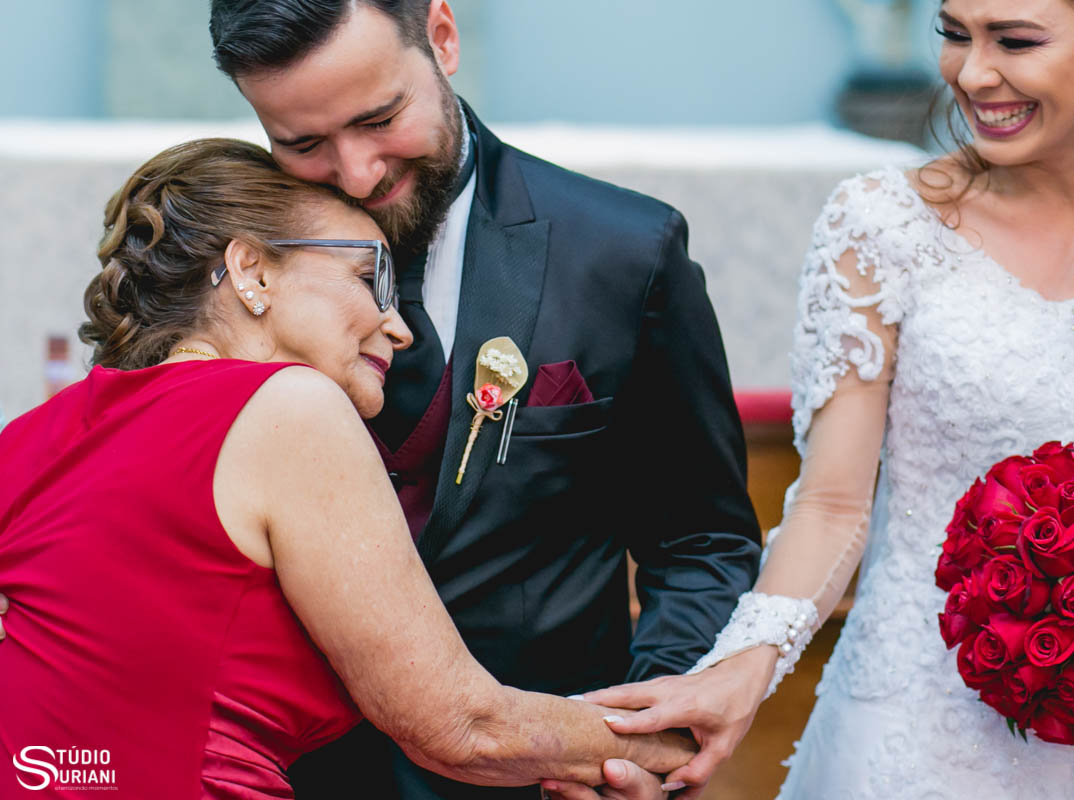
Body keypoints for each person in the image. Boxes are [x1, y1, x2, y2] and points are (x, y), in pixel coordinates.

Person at [583, 0, 1074, 797]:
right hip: (914, 726)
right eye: (953, 34)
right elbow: (833, 507)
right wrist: (737, 674)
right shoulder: (883, 226)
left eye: (1014, 40)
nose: (973, 74)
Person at [0, 138, 695, 799]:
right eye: (370, 277)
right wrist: (675, 745)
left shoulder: (26, 438)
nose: (399, 327)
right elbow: (459, 725)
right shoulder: (290, 406)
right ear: (252, 271)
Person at [203, 2, 763, 798]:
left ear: (441, 36)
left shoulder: (622, 252)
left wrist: (643, 740)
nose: (359, 172)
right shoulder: (234, 269)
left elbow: (701, 539)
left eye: (381, 118)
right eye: (303, 143)